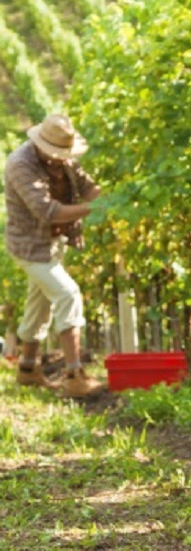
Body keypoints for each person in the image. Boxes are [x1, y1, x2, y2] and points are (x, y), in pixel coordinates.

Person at [4, 113, 104, 398]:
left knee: (40, 304)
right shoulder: (20, 165)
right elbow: (47, 211)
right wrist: (94, 209)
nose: (63, 159)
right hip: (29, 246)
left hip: (54, 242)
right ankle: (75, 375)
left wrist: (112, 199)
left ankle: (27, 369)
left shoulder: (64, 159)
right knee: (67, 294)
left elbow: (87, 187)